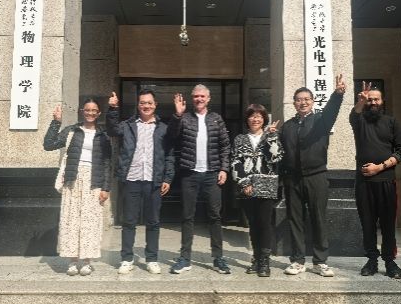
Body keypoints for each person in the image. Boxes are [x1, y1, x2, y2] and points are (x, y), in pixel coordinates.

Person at [280, 74, 346, 277]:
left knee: (318, 218)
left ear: (313, 101)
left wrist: (337, 95)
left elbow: (331, 111)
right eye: (299, 99)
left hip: (316, 176)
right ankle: (298, 260)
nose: (303, 102)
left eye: (307, 99)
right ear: (294, 103)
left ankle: (320, 261)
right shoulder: (287, 126)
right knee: (295, 220)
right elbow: (281, 153)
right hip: (292, 179)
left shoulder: (321, 121)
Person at [106, 89, 174, 275]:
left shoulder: (163, 128)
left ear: (155, 105)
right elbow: (111, 129)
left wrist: (168, 178)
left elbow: (169, 155)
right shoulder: (128, 125)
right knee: (129, 221)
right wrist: (113, 109)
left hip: (154, 180)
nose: (146, 106)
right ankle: (127, 259)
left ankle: (152, 259)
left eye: (149, 103)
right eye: (143, 103)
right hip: (131, 179)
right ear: (138, 105)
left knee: (153, 222)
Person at [168, 84, 231, 274]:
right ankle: (185, 258)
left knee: (215, 216)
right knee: (187, 216)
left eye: (203, 96)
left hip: (212, 174)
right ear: (192, 98)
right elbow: (171, 136)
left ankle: (218, 258)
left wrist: (224, 168)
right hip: (190, 173)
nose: (199, 99)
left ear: (208, 98)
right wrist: (177, 115)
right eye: (196, 96)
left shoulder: (216, 119)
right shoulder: (185, 118)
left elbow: (225, 146)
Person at [43, 99, 112, 276]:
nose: (90, 113)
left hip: (94, 181)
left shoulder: (103, 135)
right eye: (87, 110)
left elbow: (107, 163)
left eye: (94, 110)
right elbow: (48, 144)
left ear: (99, 113)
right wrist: (56, 122)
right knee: (71, 220)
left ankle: (87, 262)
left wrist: (106, 188)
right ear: (82, 111)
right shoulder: (72, 130)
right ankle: (72, 261)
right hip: (72, 179)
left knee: (91, 222)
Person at [350, 82, 401, 279]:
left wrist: (380, 167)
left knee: (388, 225)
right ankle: (371, 260)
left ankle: (390, 262)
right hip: (363, 183)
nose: (373, 102)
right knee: (367, 224)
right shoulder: (360, 122)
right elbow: (354, 114)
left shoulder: (392, 122)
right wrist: (360, 101)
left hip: (386, 181)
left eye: (376, 99)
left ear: (383, 101)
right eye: (370, 100)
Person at [231, 104, 282, 277]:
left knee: (265, 224)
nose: (255, 119)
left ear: (264, 119)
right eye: (252, 116)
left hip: (266, 185)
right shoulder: (240, 139)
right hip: (247, 187)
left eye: (259, 116)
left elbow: (276, 158)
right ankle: (256, 257)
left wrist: (272, 137)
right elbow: (235, 162)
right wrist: (244, 183)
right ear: (247, 119)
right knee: (253, 224)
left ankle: (264, 262)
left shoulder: (271, 136)